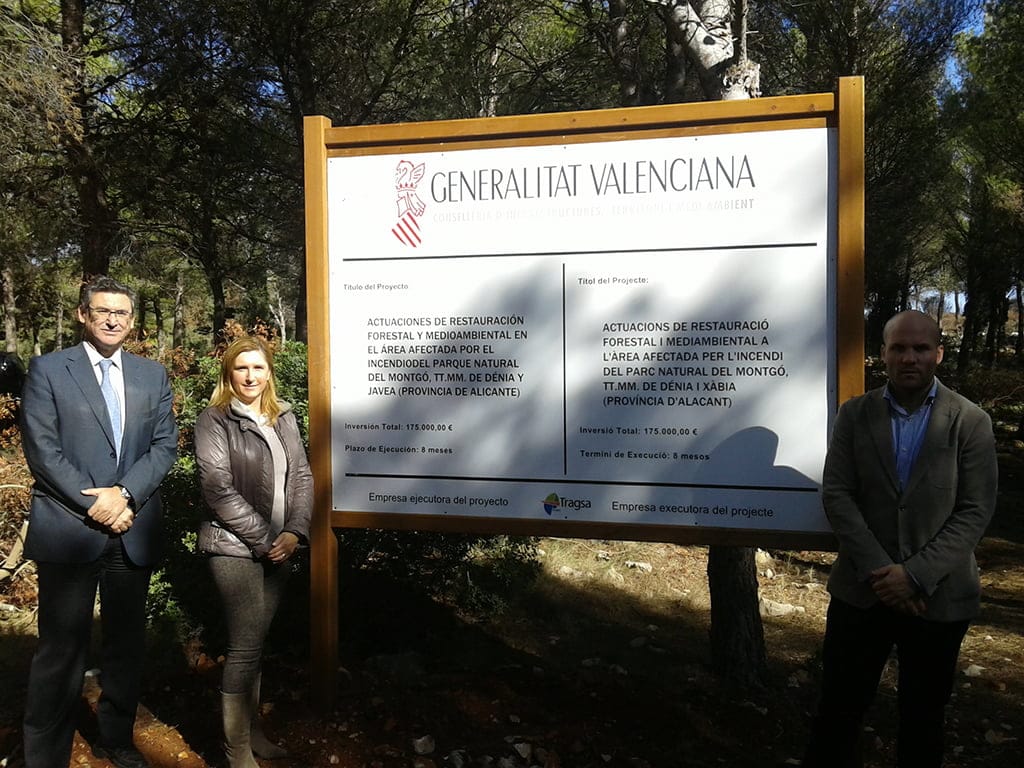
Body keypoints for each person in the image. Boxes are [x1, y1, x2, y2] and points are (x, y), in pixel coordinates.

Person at [803, 310, 999, 768]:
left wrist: (914, 576)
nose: (909, 357)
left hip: (938, 598)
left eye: (920, 348)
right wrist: (882, 574)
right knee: (837, 714)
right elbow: (837, 494)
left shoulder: (971, 422)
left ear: (939, 354)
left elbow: (975, 510)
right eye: (898, 348)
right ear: (883, 354)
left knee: (923, 721)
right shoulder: (854, 414)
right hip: (861, 594)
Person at [20, 276, 178, 768]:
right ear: (82, 315)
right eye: (103, 311)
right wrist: (99, 504)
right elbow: (42, 451)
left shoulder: (152, 375)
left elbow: (165, 446)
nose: (113, 319)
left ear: (132, 321)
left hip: (132, 527)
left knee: (126, 644)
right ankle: (44, 754)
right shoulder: (48, 370)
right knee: (60, 650)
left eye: (123, 313)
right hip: (72, 528)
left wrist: (125, 493)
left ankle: (115, 738)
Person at [194, 336, 312, 768]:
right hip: (233, 548)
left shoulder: (283, 417)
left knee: (258, 644)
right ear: (229, 372)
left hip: (281, 547)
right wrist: (266, 541)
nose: (250, 376)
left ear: (269, 373)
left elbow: (301, 475)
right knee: (244, 646)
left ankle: (254, 733)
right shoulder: (214, 419)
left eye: (258, 368)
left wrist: (296, 531)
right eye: (242, 368)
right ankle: (236, 751)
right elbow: (217, 490)